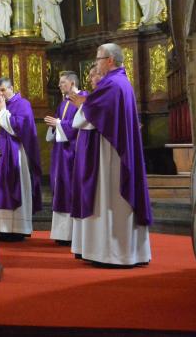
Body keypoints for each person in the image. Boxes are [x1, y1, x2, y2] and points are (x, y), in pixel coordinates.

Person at [68, 43, 152, 267]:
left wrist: (82, 105)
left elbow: (90, 116)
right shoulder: (120, 82)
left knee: (108, 198)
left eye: (98, 59)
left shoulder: (112, 84)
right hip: (113, 148)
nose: (95, 63)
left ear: (110, 60)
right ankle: (118, 252)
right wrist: (85, 104)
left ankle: (112, 253)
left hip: (111, 153)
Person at [0, 77, 42, 240]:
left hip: (15, 153)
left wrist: (2, 112)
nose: (0, 94)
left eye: (3, 90)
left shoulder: (23, 104)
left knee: (15, 185)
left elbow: (20, 127)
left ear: (11, 88)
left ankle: (17, 229)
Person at [44, 71, 85, 245]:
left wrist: (59, 124)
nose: (59, 85)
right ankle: (62, 234)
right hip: (61, 153)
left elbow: (79, 125)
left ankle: (73, 234)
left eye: (62, 82)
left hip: (74, 152)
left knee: (70, 189)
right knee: (60, 187)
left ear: (72, 83)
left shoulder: (82, 99)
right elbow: (60, 123)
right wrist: (55, 125)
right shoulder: (63, 103)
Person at [70, 63, 103, 260]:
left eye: (93, 75)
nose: (90, 79)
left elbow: (81, 121)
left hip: (94, 150)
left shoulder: (100, 95)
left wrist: (82, 106)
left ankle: (90, 245)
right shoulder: (92, 96)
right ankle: (83, 244)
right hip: (85, 148)